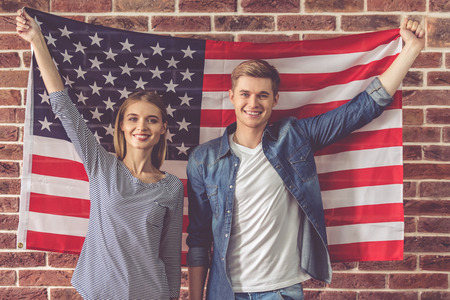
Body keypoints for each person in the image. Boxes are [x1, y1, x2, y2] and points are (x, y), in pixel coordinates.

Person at [186, 19, 425, 300]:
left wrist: (411, 50)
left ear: (275, 99)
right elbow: (199, 239)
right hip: (225, 292)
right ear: (231, 97)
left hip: (281, 291)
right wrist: (194, 297)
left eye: (262, 95)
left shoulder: (295, 137)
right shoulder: (204, 159)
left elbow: (362, 109)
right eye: (245, 95)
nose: (253, 103)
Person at [17, 9, 183, 300]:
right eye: (133, 118)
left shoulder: (172, 186)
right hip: (100, 292)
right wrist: (37, 41)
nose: (141, 126)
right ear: (122, 125)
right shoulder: (102, 166)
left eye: (151, 120)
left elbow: (170, 257)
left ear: (162, 129)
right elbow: (63, 107)